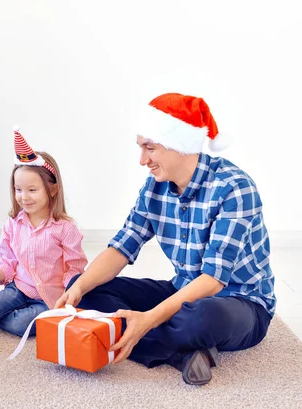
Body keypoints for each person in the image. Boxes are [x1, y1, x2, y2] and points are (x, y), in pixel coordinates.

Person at [56, 93, 275, 385]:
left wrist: (148, 319)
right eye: (140, 148)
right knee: (85, 291)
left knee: (199, 320)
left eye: (150, 148)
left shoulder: (234, 188)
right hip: (182, 290)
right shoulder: (154, 187)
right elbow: (123, 245)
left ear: (180, 146)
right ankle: (181, 355)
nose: (142, 160)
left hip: (240, 302)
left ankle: (146, 336)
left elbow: (212, 281)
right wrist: (80, 286)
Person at [0, 128, 87, 336]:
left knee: (20, 325)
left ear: (52, 190)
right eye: (18, 189)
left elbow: (74, 268)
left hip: (49, 299)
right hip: (19, 288)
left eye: (32, 190)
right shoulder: (13, 223)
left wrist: (69, 298)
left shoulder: (65, 228)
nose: (24, 197)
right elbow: (9, 260)